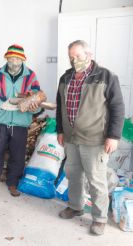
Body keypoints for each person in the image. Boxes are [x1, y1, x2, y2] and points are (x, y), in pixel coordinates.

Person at [56, 40, 125, 235]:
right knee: (73, 174)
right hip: (71, 138)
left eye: (78, 56)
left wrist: (113, 136)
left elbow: (117, 108)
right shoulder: (65, 77)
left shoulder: (106, 76)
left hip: (95, 139)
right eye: (71, 57)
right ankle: (75, 206)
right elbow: (60, 106)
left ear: (89, 54)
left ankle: (99, 217)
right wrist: (61, 130)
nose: (74, 60)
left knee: (96, 179)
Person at [0, 44, 41, 197]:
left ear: (23, 60)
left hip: (20, 123)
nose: (14, 61)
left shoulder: (31, 76)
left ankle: (13, 183)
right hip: (0, 121)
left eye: (17, 58)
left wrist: (33, 105)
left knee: (18, 155)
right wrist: (0, 104)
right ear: (6, 58)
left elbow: (37, 97)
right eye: (11, 58)